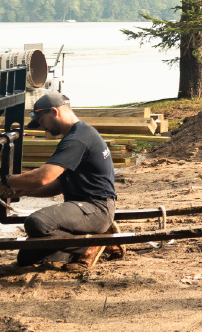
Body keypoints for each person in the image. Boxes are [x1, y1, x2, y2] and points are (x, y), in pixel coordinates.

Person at [0, 93, 117, 266]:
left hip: (96, 208)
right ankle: (85, 245)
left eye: (41, 121)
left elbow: (43, 177)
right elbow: (58, 185)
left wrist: (6, 180)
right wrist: (23, 191)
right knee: (28, 258)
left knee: (37, 223)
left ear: (54, 111)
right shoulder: (77, 135)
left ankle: (94, 241)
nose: (42, 127)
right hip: (84, 208)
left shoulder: (78, 139)